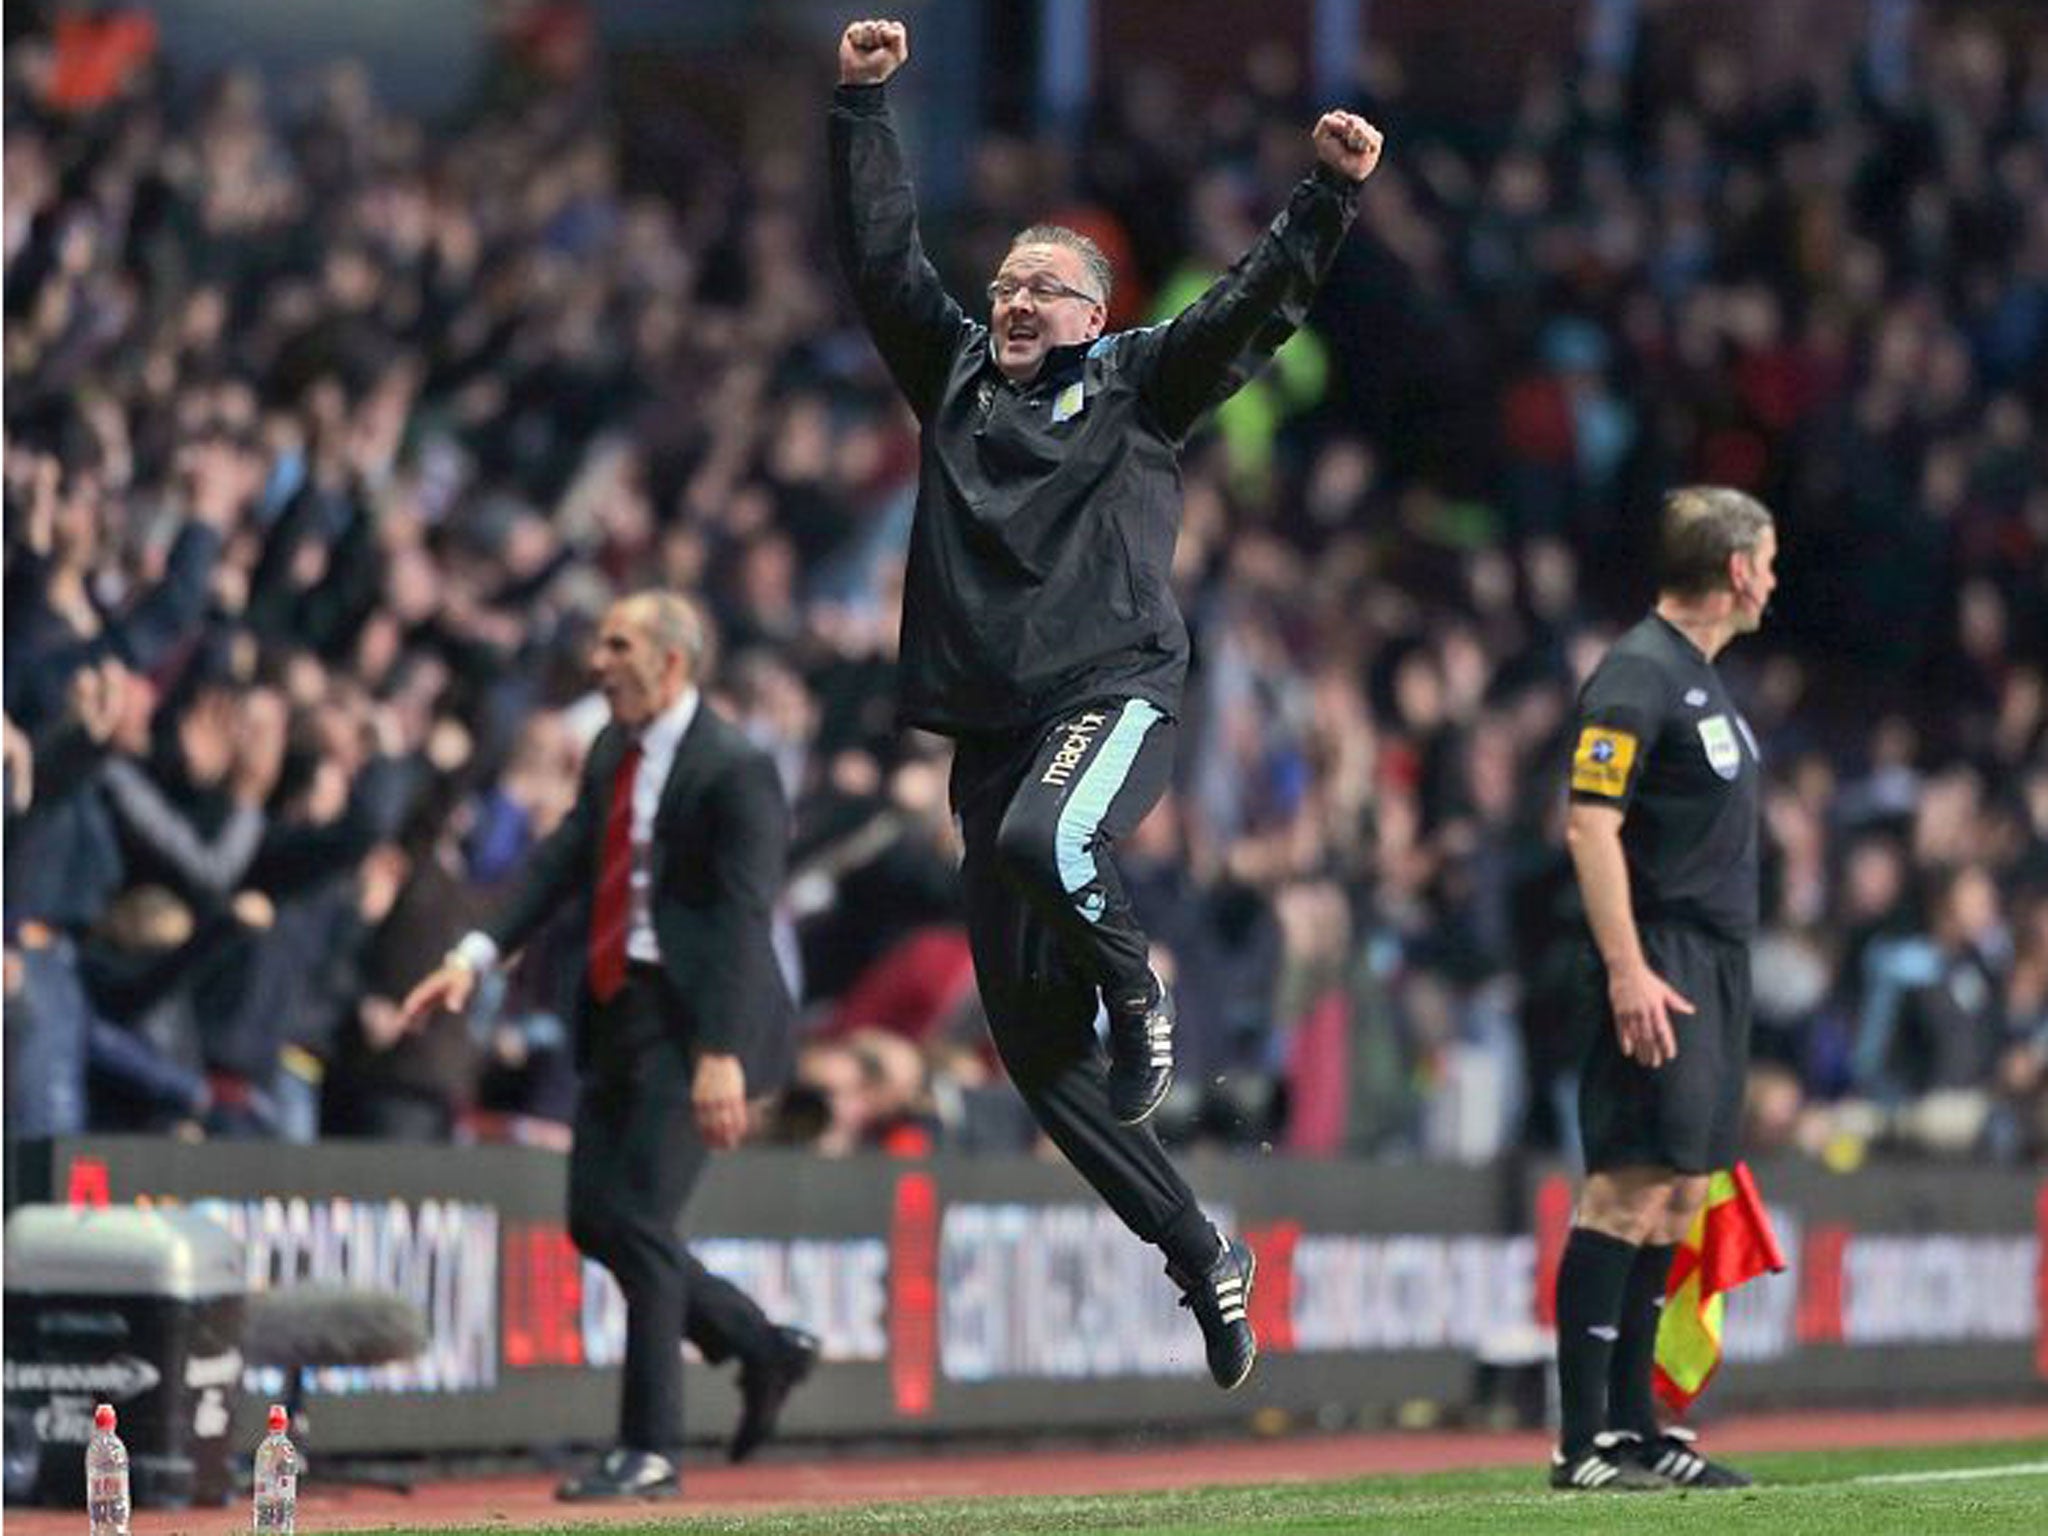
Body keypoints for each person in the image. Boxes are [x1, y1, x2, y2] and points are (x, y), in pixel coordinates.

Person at [829, 17, 1382, 1390]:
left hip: (1114, 691)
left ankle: (1143, 989)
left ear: (1095, 312)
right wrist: (862, 106)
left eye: (1047, 288)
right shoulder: (951, 378)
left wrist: (1325, 198)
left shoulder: (1140, 384)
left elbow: (1249, 308)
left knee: (1042, 844)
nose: (1016, 302)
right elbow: (884, 259)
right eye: (1008, 282)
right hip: (993, 732)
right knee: (1033, 1058)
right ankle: (1202, 1249)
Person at [401, 592, 817, 1498]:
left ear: (672, 664)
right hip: (617, 1009)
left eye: (617, 645)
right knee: (595, 1217)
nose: (597, 660)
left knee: (639, 1222)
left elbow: (747, 921)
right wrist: (474, 957)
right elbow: (557, 867)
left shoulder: (735, 768)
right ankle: (762, 1344)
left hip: (698, 1021)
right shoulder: (609, 752)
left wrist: (722, 1053)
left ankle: (651, 1450)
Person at [1550, 487, 1778, 1491]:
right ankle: (1580, 1442)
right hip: (1659, 957)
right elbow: (1586, 825)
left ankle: (1637, 1428)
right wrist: (1626, 966)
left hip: (1713, 966)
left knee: (1679, 1192)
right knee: (1624, 1190)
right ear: (1734, 571)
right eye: (1765, 562)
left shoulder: (1695, 679)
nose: (1771, 581)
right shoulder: (1636, 674)